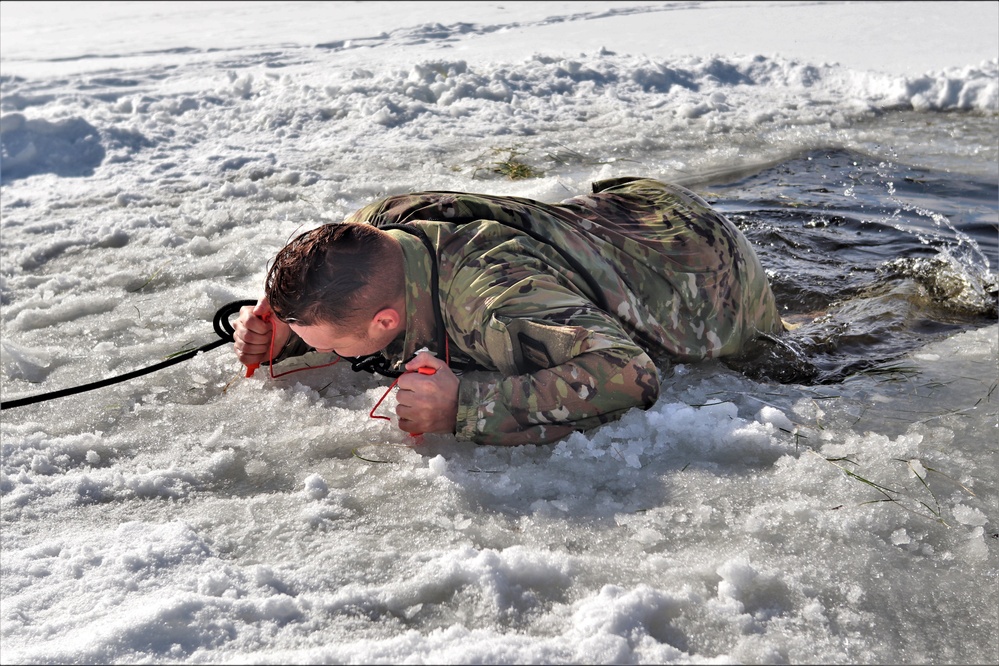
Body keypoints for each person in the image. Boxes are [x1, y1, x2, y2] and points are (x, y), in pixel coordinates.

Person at [234, 177, 784, 445]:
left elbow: (629, 373)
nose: (324, 352)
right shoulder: (373, 230)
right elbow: (336, 278)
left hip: (703, 271)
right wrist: (287, 325)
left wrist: (466, 405)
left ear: (385, 323)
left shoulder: (495, 303)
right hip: (618, 219)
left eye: (330, 344)